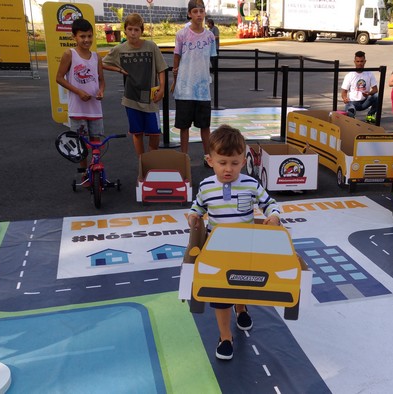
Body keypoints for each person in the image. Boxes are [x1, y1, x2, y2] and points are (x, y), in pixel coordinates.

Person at [187, 124, 281, 360]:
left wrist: (274, 216)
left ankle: (241, 307)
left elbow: (269, 203)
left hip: (246, 246)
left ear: (244, 159)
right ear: (210, 160)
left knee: (242, 282)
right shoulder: (207, 186)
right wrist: (193, 216)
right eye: (222, 163)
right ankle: (225, 336)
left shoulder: (250, 184)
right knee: (220, 292)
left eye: (235, 163)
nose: (228, 169)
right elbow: (197, 206)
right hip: (217, 249)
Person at [102, 13, 168, 158]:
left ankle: (152, 160)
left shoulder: (151, 46)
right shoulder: (120, 49)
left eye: (136, 30)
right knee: (137, 132)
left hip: (150, 98)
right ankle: (142, 161)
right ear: (125, 30)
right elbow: (102, 63)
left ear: (141, 31)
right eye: (130, 29)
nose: (133, 33)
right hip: (131, 98)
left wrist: (162, 88)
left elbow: (161, 68)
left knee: (154, 132)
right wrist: (119, 69)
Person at [55, 18, 105, 179]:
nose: (86, 40)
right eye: (82, 36)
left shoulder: (96, 56)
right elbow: (59, 78)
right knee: (80, 142)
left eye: (89, 36)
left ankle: (95, 169)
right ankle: (84, 173)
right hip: (78, 108)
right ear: (74, 37)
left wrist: (101, 91)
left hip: (94, 109)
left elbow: (101, 80)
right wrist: (78, 92)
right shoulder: (70, 54)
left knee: (96, 142)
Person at [173, 0, 216, 166]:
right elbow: (177, 56)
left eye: (201, 11)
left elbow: (210, 59)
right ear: (189, 14)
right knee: (184, 126)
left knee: (204, 126)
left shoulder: (210, 36)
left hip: (203, 89)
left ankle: (208, 156)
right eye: (195, 11)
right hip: (184, 88)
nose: (199, 14)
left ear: (205, 13)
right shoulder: (181, 34)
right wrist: (175, 80)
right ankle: (184, 157)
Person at [341, 50, 379, 124]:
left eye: (361, 61)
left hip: (365, 101)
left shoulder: (370, 74)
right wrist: (344, 98)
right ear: (354, 61)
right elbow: (344, 92)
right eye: (358, 61)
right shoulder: (349, 75)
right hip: (353, 102)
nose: (360, 63)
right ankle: (351, 117)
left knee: (377, 96)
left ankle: (370, 116)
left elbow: (375, 89)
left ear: (365, 61)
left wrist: (369, 93)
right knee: (350, 112)